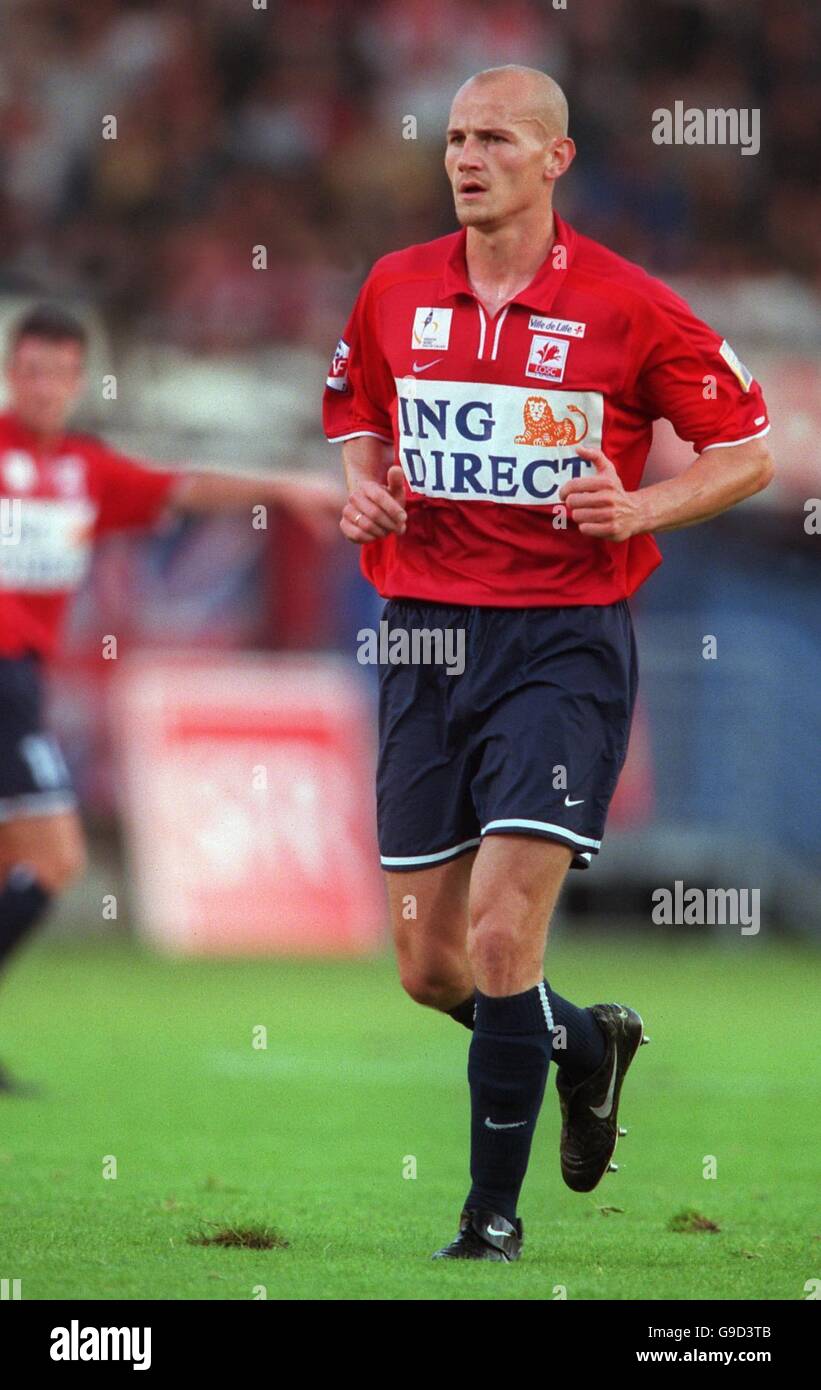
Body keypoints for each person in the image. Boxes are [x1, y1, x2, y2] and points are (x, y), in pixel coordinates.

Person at [322, 65, 774, 1261]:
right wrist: (362, 492)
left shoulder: (628, 305)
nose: (467, 158)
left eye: (496, 140)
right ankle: (585, 1042)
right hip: (421, 634)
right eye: (456, 138)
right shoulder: (392, 284)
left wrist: (642, 509)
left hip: (560, 643)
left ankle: (489, 1221)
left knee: (498, 939)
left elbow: (745, 450)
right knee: (427, 969)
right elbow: (359, 417)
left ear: (554, 160)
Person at [0, 304, 342, 1092]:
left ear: (78, 380)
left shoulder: (85, 469)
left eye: (58, 372)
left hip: (23, 681)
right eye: (30, 370)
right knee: (56, 858)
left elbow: (184, 487)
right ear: (13, 375)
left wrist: (283, 486)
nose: (44, 386)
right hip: (4, 680)